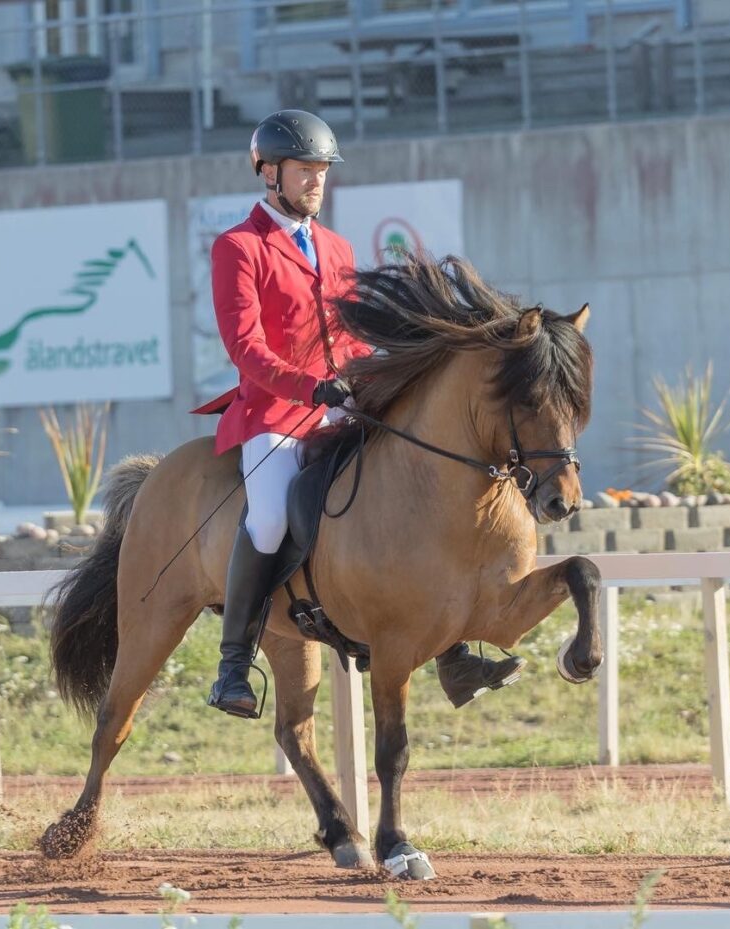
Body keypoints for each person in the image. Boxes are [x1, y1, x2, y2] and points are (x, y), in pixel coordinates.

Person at [201, 109, 525, 719]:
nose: (316, 182)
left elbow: (345, 337)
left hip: (339, 407)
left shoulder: (335, 246)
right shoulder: (239, 247)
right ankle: (233, 665)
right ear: (268, 173)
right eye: (304, 171)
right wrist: (311, 386)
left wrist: (375, 372)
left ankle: (451, 653)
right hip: (275, 413)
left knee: (404, 498)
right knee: (269, 517)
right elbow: (246, 347)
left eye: (322, 171)